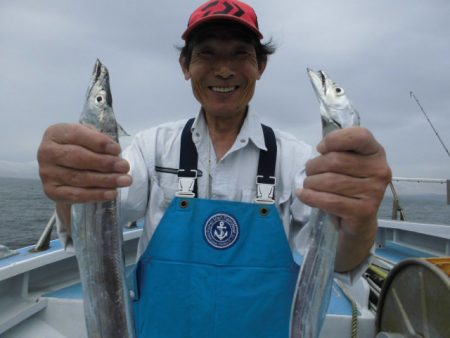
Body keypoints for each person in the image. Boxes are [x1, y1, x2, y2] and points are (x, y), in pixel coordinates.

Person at [37, 1, 391, 337]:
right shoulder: (151, 148)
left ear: (260, 67)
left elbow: (340, 262)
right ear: (185, 65)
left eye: (241, 53)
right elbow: (98, 217)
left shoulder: (298, 160)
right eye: (207, 53)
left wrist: (361, 220)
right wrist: (71, 185)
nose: (224, 70)